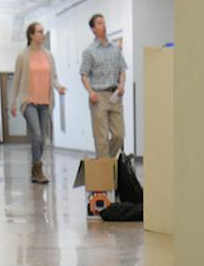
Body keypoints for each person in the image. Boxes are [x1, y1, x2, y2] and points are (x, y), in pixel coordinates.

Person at [8, 21, 66, 185]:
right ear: (31, 35)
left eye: (43, 31)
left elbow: (54, 77)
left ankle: (34, 168)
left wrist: (59, 87)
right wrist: (13, 103)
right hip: (28, 101)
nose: (43, 34)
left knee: (43, 140)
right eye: (40, 31)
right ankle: (39, 169)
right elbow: (17, 81)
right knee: (37, 134)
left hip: (45, 102)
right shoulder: (23, 56)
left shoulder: (49, 56)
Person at [79, 13, 127, 159]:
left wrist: (122, 85)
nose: (103, 25)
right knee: (102, 139)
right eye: (99, 23)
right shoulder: (89, 51)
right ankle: (104, 169)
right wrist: (90, 92)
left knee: (119, 135)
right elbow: (84, 75)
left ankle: (102, 162)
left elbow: (122, 70)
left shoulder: (115, 49)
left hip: (115, 96)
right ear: (93, 29)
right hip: (98, 97)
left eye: (104, 22)